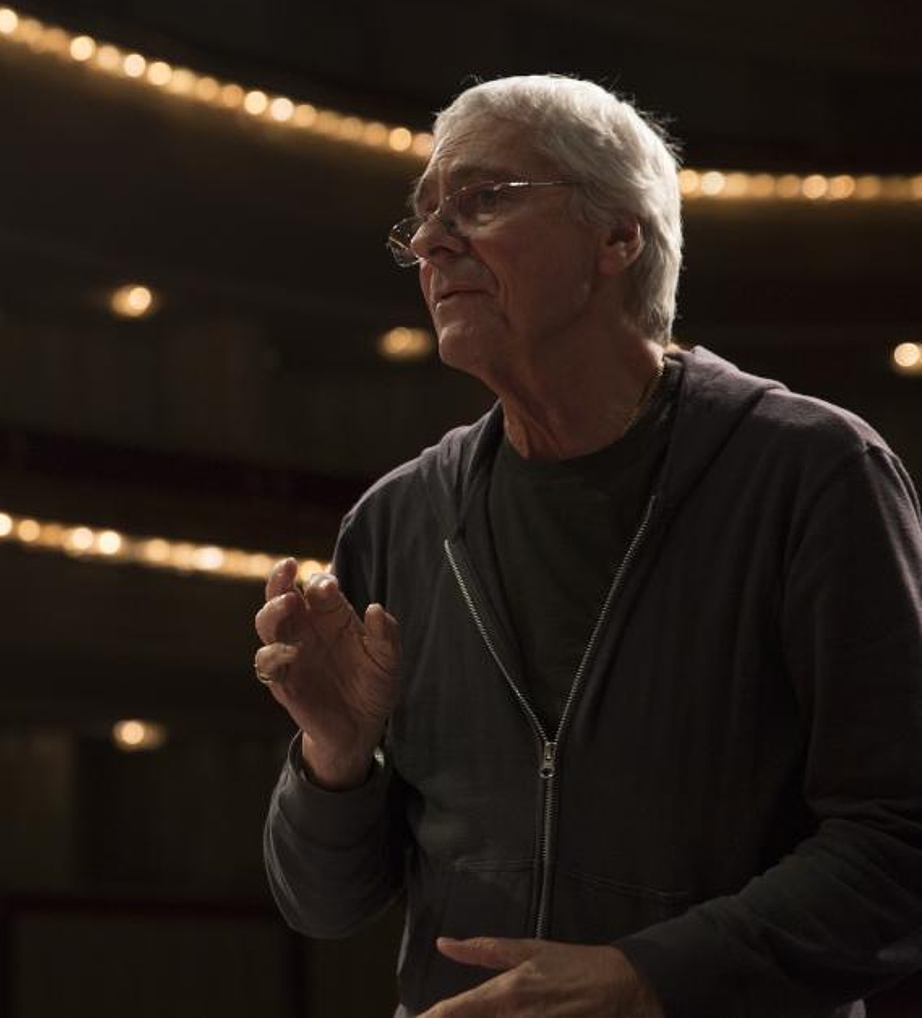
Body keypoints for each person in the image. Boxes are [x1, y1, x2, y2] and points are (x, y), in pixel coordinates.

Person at [256, 74, 922, 1016]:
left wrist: (649, 978)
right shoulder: (397, 518)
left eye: (484, 200)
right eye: (423, 220)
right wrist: (333, 758)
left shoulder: (813, 473)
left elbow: (900, 843)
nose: (435, 242)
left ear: (619, 237)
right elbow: (323, 905)